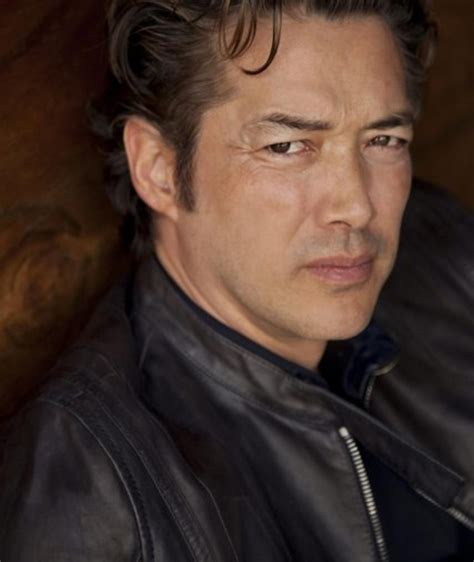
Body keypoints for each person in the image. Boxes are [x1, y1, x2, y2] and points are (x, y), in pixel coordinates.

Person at [1, 1, 473, 560]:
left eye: (384, 139)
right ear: (158, 168)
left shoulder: (441, 248)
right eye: (286, 146)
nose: (357, 206)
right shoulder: (87, 489)